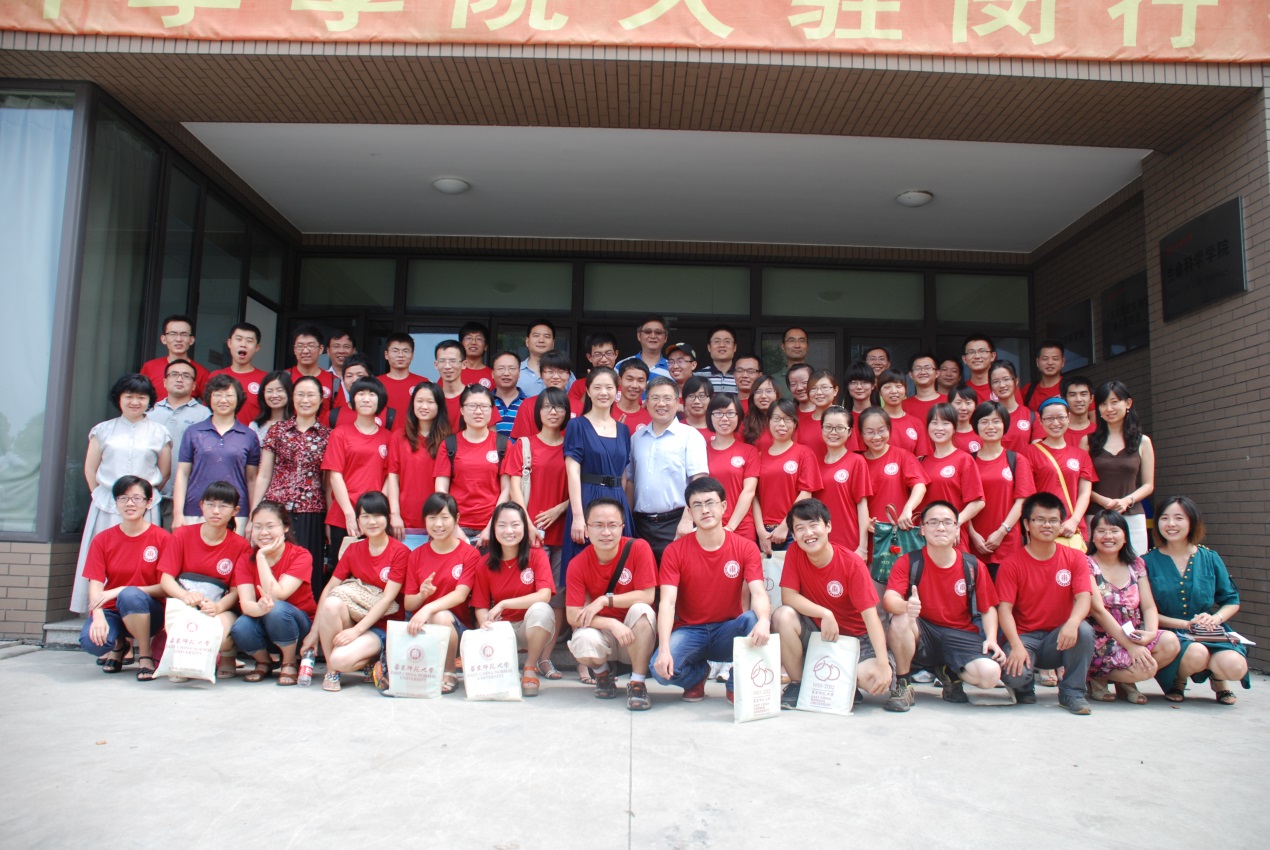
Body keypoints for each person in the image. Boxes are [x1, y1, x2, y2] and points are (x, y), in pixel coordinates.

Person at [651, 477, 770, 702]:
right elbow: (667, 602)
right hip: (690, 631)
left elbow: (758, 592)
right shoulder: (674, 551)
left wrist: (765, 620)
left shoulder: (746, 547)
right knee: (660, 671)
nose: (704, 510)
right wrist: (664, 649)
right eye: (697, 505)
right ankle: (697, 675)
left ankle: (736, 683)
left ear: (723, 506)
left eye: (710, 503)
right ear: (689, 512)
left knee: (754, 619)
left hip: (728, 630)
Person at [773, 498, 893, 709]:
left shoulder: (852, 563)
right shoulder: (795, 552)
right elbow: (788, 597)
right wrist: (825, 614)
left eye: (813, 525)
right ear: (793, 534)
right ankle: (798, 683)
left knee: (874, 679)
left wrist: (883, 664)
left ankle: (845, 684)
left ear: (828, 526)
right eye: (800, 528)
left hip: (856, 638)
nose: (808, 533)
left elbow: (871, 617)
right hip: (819, 632)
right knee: (783, 616)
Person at [883, 501, 1006, 708]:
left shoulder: (973, 565)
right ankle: (903, 684)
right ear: (922, 529)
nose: (941, 528)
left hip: (960, 634)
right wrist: (905, 606)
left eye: (948, 522)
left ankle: (949, 673)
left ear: (957, 529)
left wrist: (992, 638)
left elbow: (988, 608)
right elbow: (889, 598)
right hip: (923, 632)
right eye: (933, 522)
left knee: (990, 675)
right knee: (900, 619)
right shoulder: (908, 562)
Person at [72, 374, 172, 613]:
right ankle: (99, 609)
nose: (135, 402)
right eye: (129, 396)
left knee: (143, 558)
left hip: (144, 506)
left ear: (149, 401)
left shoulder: (160, 432)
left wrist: (142, 499)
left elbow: (164, 472)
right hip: (107, 504)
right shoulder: (102, 430)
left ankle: (137, 609)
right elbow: (90, 469)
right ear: (119, 398)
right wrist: (101, 496)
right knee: (103, 556)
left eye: (141, 397)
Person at [996, 492, 1096, 715]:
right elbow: (1004, 609)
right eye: (1040, 520)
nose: (1047, 525)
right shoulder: (1011, 563)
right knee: (1015, 676)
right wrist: (1016, 645)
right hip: (1025, 638)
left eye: (1053, 520)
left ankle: (1072, 693)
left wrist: (1072, 622)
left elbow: (1084, 597)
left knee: (1083, 630)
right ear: (1026, 524)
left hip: (1058, 637)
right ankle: (1023, 688)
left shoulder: (1075, 557)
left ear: (1061, 524)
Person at [1144, 496, 1249, 705]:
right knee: (1197, 654)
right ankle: (1178, 680)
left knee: (1236, 667)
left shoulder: (1209, 557)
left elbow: (1231, 600)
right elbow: (1145, 611)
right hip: (1171, 632)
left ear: (1192, 522)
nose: (1171, 524)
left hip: (1209, 630)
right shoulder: (1146, 561)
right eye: (1164, 518)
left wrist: (1215, 619)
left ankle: (1218, 678)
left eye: (1179, 518)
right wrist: (1185, 625)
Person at [303, 491, 408, 692]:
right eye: (365, 516)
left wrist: (355, 632)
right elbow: (330, 587)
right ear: (358, 521)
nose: (372, 522)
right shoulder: (353, 550)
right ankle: (332, 671)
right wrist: (313, 633)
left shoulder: (400, 552)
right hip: (357, 618)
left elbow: (387, 599)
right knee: (331, 603)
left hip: (383, 626)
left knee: (340, 659)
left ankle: (371, 660)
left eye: (377, 515)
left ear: (387, 517)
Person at [566, 498, 658, 709]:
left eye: (612, 525)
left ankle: (637, 683)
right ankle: (602, 675)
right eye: (598, 525)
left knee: (642, 609)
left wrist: (604, 600)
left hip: (635, 634)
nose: (606, 532)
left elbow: (647, 596)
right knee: (583, 639)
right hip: (605, 636)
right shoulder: (577, 564)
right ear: (586, 529)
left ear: (622, 527)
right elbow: (572, 615)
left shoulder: (638, 548)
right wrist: (610, 623)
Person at [77, 475, 171, 681]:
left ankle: (145, 654)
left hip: (150, 610)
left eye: (137, 498)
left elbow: (166, 587)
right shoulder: (102, 539)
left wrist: (121, 590)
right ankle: (120, 644)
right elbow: (95, 583)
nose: (130, 503)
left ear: (148, 502)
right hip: (113, 610)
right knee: (92, 642)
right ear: (116, 502)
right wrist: (98, 616)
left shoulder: (162, 538)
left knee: (129, 595)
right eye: (123, 498)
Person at [504, 387, 570, 674]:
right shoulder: (524, 444)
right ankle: (520, 655)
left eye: (559, 407)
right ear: (537, 411)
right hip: (531, 534)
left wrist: (560, 509)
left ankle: (545, 658)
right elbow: (514, 486)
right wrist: (528, 524)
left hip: (563, 532)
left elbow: (581, 486)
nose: (553, 412)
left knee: (558, 597)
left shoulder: (572, 446)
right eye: (547, 407)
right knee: (528, 591)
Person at [157, 481, 250, 682]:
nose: (216, 511)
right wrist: (184, 596)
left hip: (220, 606)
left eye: (223, 506)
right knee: (186, 624)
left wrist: (217, 607)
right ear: (201, 506)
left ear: (235, 511)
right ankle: (183, 663)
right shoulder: (182, 535)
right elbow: (166, 579)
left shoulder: (241, 545)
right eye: (210, 504)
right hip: (184, 604)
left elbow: (236, 591)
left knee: (219, 629)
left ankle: (228, 655)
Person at [1084, 509, 1179, 704]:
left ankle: (1124, 682)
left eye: (1114, 531)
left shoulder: (1135, 564)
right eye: (1101, 531)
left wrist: (1150, 633)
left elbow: (1149, 607)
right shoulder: (1087, 564)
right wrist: (1130, 647)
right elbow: (1097, 610)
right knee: (1146, 669)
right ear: (1092, 536)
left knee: (1171, 642)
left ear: (1125, 536)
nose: (1108, 536)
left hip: (1132, 634)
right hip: (1101, 640)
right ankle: (1097, 677)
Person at [252, 375, 330, 590]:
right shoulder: (277, 430)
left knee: (307, 568)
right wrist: (254, 513)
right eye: (300, 395)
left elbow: (328, 483)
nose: (305, 400)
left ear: (320, 399)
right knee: (275, 563)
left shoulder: (327, 435)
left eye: (311, 395)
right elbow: (264, 475)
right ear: (292, 398)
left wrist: (328, 521)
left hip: (311, 510)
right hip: (276, 508)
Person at [472, 501, 556, 697]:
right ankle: (507, 668)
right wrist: (485, 622)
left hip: (529, 627)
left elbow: (544, 595)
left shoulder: (537, 556)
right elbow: (480, 605)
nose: (509, 531)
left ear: (524, 528)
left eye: (515, 525)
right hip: (502, 629)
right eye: (502, 525)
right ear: (493, 529)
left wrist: (503, 604)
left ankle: (529, 668)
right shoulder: (484, 563)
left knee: (541, 610)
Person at [230, 501, 318, 686]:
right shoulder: (245, 559)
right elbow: (246, 604)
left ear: (285, 527)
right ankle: (264, 662)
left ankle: (289, 662)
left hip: (298, 628)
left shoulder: (300, 555)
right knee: (241, 626)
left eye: (270, 526)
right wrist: (260, 608)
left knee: (276, 609)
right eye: (258, 527)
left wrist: (261, 557)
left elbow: (278, 595)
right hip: (265, 622)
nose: (263, 533)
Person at [402, 493, 483, 695]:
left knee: (440, 616)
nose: (438, 524)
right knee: (435, 616)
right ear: (425, 521)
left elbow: (460, 595)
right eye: (432, 518)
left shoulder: (469, 554)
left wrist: (428, 608)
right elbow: (409, 604)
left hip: (455, 629)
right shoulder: (416, 555)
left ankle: (449, 671)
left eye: (445, 517)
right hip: (421, 628)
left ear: (456, 519)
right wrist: (422, 596)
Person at [627, 376, 709, 561]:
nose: (661, 404)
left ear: (677, 402)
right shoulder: (637, 438)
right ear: (646, 403)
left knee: (676, 576)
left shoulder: (690, 436)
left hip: (676, 522)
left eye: (667, 398)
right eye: (655, 398)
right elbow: (631, 481)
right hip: (640, 525)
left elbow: (699, 481)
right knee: (644, 577)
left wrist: (688, 519)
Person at [173, 374, 259, 534]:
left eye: (229, 395)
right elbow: (182, 474)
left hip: (236, 511)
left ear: (238, 399)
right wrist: (177, 513)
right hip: (196, 508)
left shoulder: (249, 436)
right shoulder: (193, 432)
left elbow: (252, 479)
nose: (223, 400)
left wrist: (254, 517)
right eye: (217, 395)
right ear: (209, 398)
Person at [321, 376, 391, 560]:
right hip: (343, 515)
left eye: (372, 394)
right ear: (352, 400)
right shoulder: (340, 434)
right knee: (342, 568)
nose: (366, 399)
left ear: (380, 400)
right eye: (361, 394)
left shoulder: (389, 437)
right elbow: (335, 476)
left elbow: (390, 478)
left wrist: (377, 510)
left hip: (376, 516)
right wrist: (349, 514)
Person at [435, 385, 510, 548]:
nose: (478, 411)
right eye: (472, 406)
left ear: (492, 410)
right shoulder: (449, 444)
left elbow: (507, 489)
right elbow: (441, 490)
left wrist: (492, 525)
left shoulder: (502, 444)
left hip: (493, 526)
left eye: (484, 406)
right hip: (456, 526)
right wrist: (453, 526)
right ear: (462, 410)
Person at [859, 407, 928, 579]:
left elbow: (920, 485)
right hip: (870, 539)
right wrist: (865, 521)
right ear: (861, 434)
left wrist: (908, 509)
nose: (876, 437)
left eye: (881, 430)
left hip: (902, 536)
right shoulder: (857, 461)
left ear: (890, 430)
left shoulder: (902, 456)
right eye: (870, 432)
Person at [967, 401, 1036, 574]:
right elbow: (961, 501)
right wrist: (972, 534)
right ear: (975, 426)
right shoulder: (967, 461)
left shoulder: (1016, 460)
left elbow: (1022, 500)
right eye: (984, 422)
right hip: (974, 543)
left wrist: (1002, 531)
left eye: (996, 421)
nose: (990, 426)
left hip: (1007, 543)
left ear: (1005, 424)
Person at [1088, 381, 1156, 555]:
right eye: (1103, 404)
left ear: (1128, 403)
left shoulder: (1143, 441)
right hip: (1096, 515)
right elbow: (1081, 485)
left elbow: (1148, 485)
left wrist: (1127, 501)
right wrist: (1103, 501)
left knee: (1136, 564)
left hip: (1132, 515)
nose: (1109, 408)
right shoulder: (1088, 441)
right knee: (1095, 565)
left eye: (1114, 402)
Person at [386, 382, 450, 550]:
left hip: (437, 520)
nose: (424, 406)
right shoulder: (399, 437)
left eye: (430, 402)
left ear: (439, 406)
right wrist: (394, 514)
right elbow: (393, 477)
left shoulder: (449, 440)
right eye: (419, 401)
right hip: (404, 521)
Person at [147, 360, 210, 529]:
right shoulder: (150, 412)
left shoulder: (205, 415)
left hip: (184, 497)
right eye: (174, 375)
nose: (179, 379)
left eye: (186, 376)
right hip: (149, 494)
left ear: (194, 385)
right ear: (164, 382)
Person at [754, 399, 822, 555]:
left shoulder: (804, 453)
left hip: (794, 530)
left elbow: (806, 493)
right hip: (764, 533)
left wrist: (785, 525)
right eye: (776, 418)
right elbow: (754, 496)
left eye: (787, 419)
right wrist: (760, 531)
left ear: (795, 423)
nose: (781, 424)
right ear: (768, 421)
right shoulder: (759, 456)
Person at [1025, 397, 1095, 543]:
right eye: (1049, 418)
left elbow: (1085, 492)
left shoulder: (1081, 454)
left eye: (1060, 417)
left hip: (1073, 528)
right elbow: (1027, 494)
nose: (1055, 423)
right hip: (1042, 528)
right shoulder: (1029, 452)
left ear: (1068, 418)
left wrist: (1074, 520)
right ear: (1041, 421)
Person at [920, 403, 985, 542]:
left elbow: (978, 502)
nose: (939, 428)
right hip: (925, 538)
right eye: (934, 423)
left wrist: (955, 523)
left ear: (954, 427)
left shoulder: (964, 459)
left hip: (952, 537)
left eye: (945, 423)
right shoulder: (922, 462)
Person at [814, 406, 871, 560]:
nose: (833, 432)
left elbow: (862, 505)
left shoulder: (856, 461)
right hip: (819, 543)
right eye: (828, 427)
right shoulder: (814, 463)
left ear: (850, 431)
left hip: (849, 542)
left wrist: (863, 547)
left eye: (840, 428)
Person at [705, 394, 759, 543]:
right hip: (709, 526)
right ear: (710, 416)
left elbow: (749, 491)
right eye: (718, 413)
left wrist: (730, 527)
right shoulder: (700, 450)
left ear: (739, 417)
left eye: (730, 413)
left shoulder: (749, 451)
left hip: (741, 526)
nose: (724, 419)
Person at [139, 314, 210, 402]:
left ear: (191, 340)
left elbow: (209, 403)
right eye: (173, 334)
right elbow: (139, 396)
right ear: (163, 339)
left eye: (184, 334)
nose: (178, 339)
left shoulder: (202, 372)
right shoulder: (150, 367)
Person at [210, 322, 267, 426]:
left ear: (257, 347)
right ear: (229, 343)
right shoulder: (215, 376)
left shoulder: (265, 379)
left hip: (253, 436)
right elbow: (207, 411)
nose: (243, 344)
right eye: (238, 339)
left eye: (249, 341)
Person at [510, 350, 575, 440]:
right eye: (550, 372)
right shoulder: (527, 405)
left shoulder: (579, 406)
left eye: (561, 372)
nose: (556, 377)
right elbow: (522, 442)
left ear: (569, 375)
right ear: (541, 374)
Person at [876, 368, 933, 457]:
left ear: (905, 389)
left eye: (898, 386)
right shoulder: (874, 420)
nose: (894, 391)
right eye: (887, 387)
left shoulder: (916, 423)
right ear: (880, 392)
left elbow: (922, 457)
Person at [379, 333, 427, 432]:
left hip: (414, 437)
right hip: (382, 437)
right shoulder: (375, 383)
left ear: (412, 355)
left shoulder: (423, 383)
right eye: (395, 351)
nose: (400, 355)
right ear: (386, 355)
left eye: (405, 351)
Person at [987, 361, 1036, 453]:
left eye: (1006, 379)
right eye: (996, 381)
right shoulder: (985, 418)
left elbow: (1036, 453)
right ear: (991, 386)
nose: (1002, 385)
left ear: (1016, 381)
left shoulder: (1032, 416)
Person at [289, 325, 335, 415]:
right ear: (294, 349)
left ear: (321, 349)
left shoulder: (334, 381)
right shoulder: (284, 378)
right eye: (300, 346)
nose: (305, 351)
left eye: (311, 346)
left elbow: (339, 415)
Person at [519, 319, 571, 396]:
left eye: (546, 336)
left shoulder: (565, 374)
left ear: (553, 343)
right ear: (527, 341)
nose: (541, 340)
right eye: (536, 336)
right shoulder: (515, 371)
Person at [569, 331, 620, 409]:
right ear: (589, 357)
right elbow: (574, 411)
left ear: (616, 354)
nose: (603, 359)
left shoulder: (624, 383)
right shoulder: (578, 385)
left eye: (608, 353)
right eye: (598, 354)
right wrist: (590, 384)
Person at [615, 315, 671, 381]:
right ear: (639, 336)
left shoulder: (673, 368)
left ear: (665, 338)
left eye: (658, 332)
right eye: (648, 332)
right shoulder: (621, 365)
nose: (653, 336)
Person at [796, 369, 837, 454]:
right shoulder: (801, 422)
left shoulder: (844, 420)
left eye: (824, 387)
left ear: (835, 390)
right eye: (813, 388)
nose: (818, 392)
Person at [249, 370, 292, 445]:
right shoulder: (255, 426)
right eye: (269, 391)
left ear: (289, 392)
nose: (274, 395)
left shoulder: (297, 425)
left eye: (279, 390)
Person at [490, 350, 527, 436]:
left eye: (512, 368)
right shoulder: (484, 403)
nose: (506, 373)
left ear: (519, 373)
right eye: (501, 368)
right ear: (493, 374)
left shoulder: (528, 403)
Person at [1022, 339, 1065, 412]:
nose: (1050, 362)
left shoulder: (1070, 387)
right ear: (1037, 362)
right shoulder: (1027, 391)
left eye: (1055, 359)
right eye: (1045, 359)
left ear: (1063, 362)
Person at [843, 360, 876, 452]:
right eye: (854, 382)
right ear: (848, 386)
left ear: (873, 385)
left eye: (864, 382)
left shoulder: (881, 417)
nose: (859, 387)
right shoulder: (843, 418)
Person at [432, 338, 467, 425]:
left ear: (464, 364)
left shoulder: (477, 396)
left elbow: (490, 432)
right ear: (436, 365)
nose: (447, 366)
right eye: (442, 361)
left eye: (453, 361)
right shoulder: (431, 398)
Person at [695, 325, 738, 394]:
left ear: (734, 347)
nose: (722, 345)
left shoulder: (743, 377)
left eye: (727, 341)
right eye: (717, 341)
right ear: (709, 347)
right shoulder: (697, 376)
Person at [961, 334, 1003, 404]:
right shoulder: (959, 392)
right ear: (964, 359)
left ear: (993, 356)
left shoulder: (1006, 388)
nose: (977, 356)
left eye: (982, 351)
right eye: (971, 352)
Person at [741, 374, 779, 451]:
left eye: (768, 391)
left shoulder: (787, 420)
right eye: (758, 392)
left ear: (777, 394)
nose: (763, 396)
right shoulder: (745, 423)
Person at [903, 353, 943, 424]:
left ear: (937, 373)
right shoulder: (903, 406)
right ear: (911, 374)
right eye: (918, 368)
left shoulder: (950, 401)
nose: (923, 372)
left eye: (927, 368)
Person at [614, 358, 652, 431]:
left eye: (640, 381)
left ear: (646, 384)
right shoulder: (605, 412)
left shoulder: (651, 419)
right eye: (629, 379)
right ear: (619, 380)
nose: (634, 385)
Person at [771, 326, 808, 400]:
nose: (797, 345)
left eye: (802, 341)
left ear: (807, 346)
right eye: (791, 340)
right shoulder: (772, 380)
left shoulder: (816, 378)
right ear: (783, 346)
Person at [1063, 375, 1098, 446]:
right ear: (1064, 399)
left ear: (1091, 398)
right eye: (1073, 395)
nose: (1078, 399)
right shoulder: (1057, 433)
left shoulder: (1099, 432)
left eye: (1083, 394)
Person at [948, 384, 982, 455]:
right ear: (949, 405)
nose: (963, 408)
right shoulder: (945, 433)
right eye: (958, 403)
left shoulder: (981, 432)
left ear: (975, 406)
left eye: (968, 403)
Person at [458, 321, 493, 389]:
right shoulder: (452, 372)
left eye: (478, 339)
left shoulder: (493, 375)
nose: (473, 342)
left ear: (485, 346)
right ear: (461, 344)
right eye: (469, 338)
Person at [680, 376, 714, 442]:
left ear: (710, 399)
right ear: (685, 400)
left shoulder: (718, 429)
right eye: (691, 396)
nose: (696, 401)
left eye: (702, 396)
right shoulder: (677, 429)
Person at [326, 329, 356, 396]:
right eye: (336, 346)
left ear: (353, 351)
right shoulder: (321, 379)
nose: (341, 351)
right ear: (328, 351)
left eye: (346, 346)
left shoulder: (362, 379)